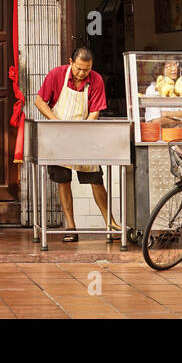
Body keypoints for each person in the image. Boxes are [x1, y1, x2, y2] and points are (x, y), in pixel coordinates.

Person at [33, 47, 118, 242]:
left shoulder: (96, 80)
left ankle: (110, 224)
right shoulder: (56, 74)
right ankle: (71, 226)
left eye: (86, 69)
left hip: (84, 136)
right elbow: (40, 101)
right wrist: (56, 123)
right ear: (70, 62)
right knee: (64, 180)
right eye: (79, 68)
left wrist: (83, 130)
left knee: (95, 180)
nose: (82, 73)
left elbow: (95, 110)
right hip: (58, 136)